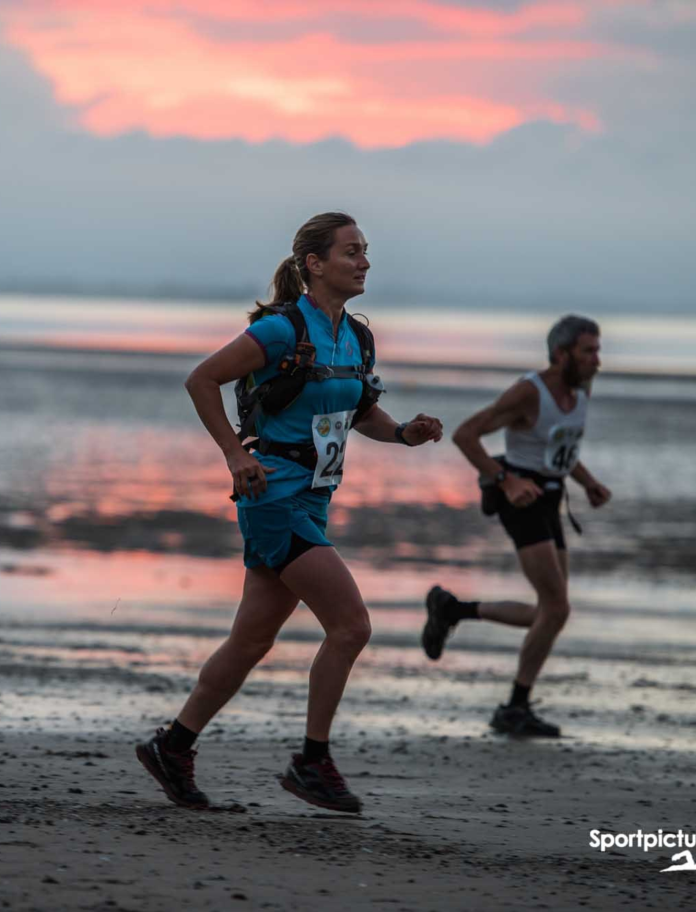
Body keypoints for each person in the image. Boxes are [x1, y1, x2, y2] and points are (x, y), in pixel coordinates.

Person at [136, 212, 442, 813]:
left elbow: (359, 414)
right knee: (351, 626)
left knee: (250, 642)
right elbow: (201, 380)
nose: (365, 262)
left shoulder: (357, 336)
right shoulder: (280, 331)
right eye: (351, 252)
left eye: (366, 251)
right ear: (314, 264)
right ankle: (312, 761)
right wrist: (233, 454)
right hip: (272, 497)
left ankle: (172, 747)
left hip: (315, 498)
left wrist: (405, 432)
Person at [421, 315, 611, 737]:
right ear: (561, 354)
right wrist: (506, 481)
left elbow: (557, 449)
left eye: (598, 350)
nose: (597, 359)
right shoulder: (530, 392)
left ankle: (452, 609)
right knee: (557, 607)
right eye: (588, 351)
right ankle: (515, 707)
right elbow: (466, 435)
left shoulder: (580, 390)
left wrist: (588, 482)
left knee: (551, 613)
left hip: (551, 498)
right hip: (521, 501)